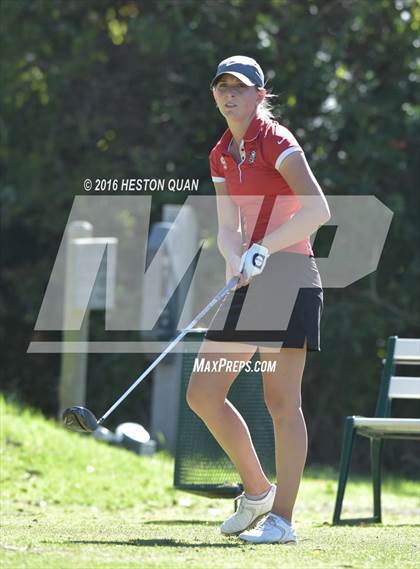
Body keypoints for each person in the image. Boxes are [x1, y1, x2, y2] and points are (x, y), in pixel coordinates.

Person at [186, 55, 330, 544]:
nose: (230, 95)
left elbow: (318, 209)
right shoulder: (222, 152)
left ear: (259, 95)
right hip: (251, 276)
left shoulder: (277, 141)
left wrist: (264, 250)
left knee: (281, 400)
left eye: (241, 88)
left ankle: (283, 520)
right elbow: (228, 228)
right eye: (222, 87)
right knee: (203, 393)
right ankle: (257, 492)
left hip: (289, 275)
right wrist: (235, 263)